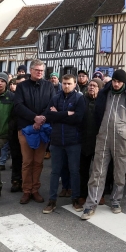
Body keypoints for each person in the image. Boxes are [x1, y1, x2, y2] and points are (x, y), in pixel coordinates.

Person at [81, 70, 126, 218]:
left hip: (121, 136)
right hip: (103, 135)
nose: (116, 84)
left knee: (120, 171)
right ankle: (91, 204)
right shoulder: (105, 92)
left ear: (124, 82)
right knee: (98, 171)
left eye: (119, 81)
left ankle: (115, 200)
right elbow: (98, 112)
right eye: (114, 81)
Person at [13, 60, 58, 204]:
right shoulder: (22, 87)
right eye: (37, 70)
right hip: (26, 129)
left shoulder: (49, 86)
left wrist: (41, 119)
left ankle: (35, 189)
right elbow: (18, 106)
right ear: (31, 70)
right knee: (27, 161)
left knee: (38, 162)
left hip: (42, 128)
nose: (39, 72)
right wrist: (34, 118)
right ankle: (26, 190)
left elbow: (52, 104)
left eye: (41, 70)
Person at [43, 74, 85, 213]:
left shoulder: (79, 98)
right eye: (64, 83)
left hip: (73, 141)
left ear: (74, 84)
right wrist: (67, 113)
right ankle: (52, 200)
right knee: (55, 172)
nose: (66, 86)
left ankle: (75, 198)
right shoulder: (55, 97)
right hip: (56, 141)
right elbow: (48, 116)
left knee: (74, 171)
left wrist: (58, 114)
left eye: (69, 83)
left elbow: (79, 118)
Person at [78, 79, 102, 206]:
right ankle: (83, 194)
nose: (91, 87)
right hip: (84, 139)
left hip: (99, 140)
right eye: (90, 85)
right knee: (83, 169)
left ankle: (99, 194)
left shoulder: (102, 101)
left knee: (99, 170)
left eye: (94, 85)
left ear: (99, 88)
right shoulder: (82, 100)